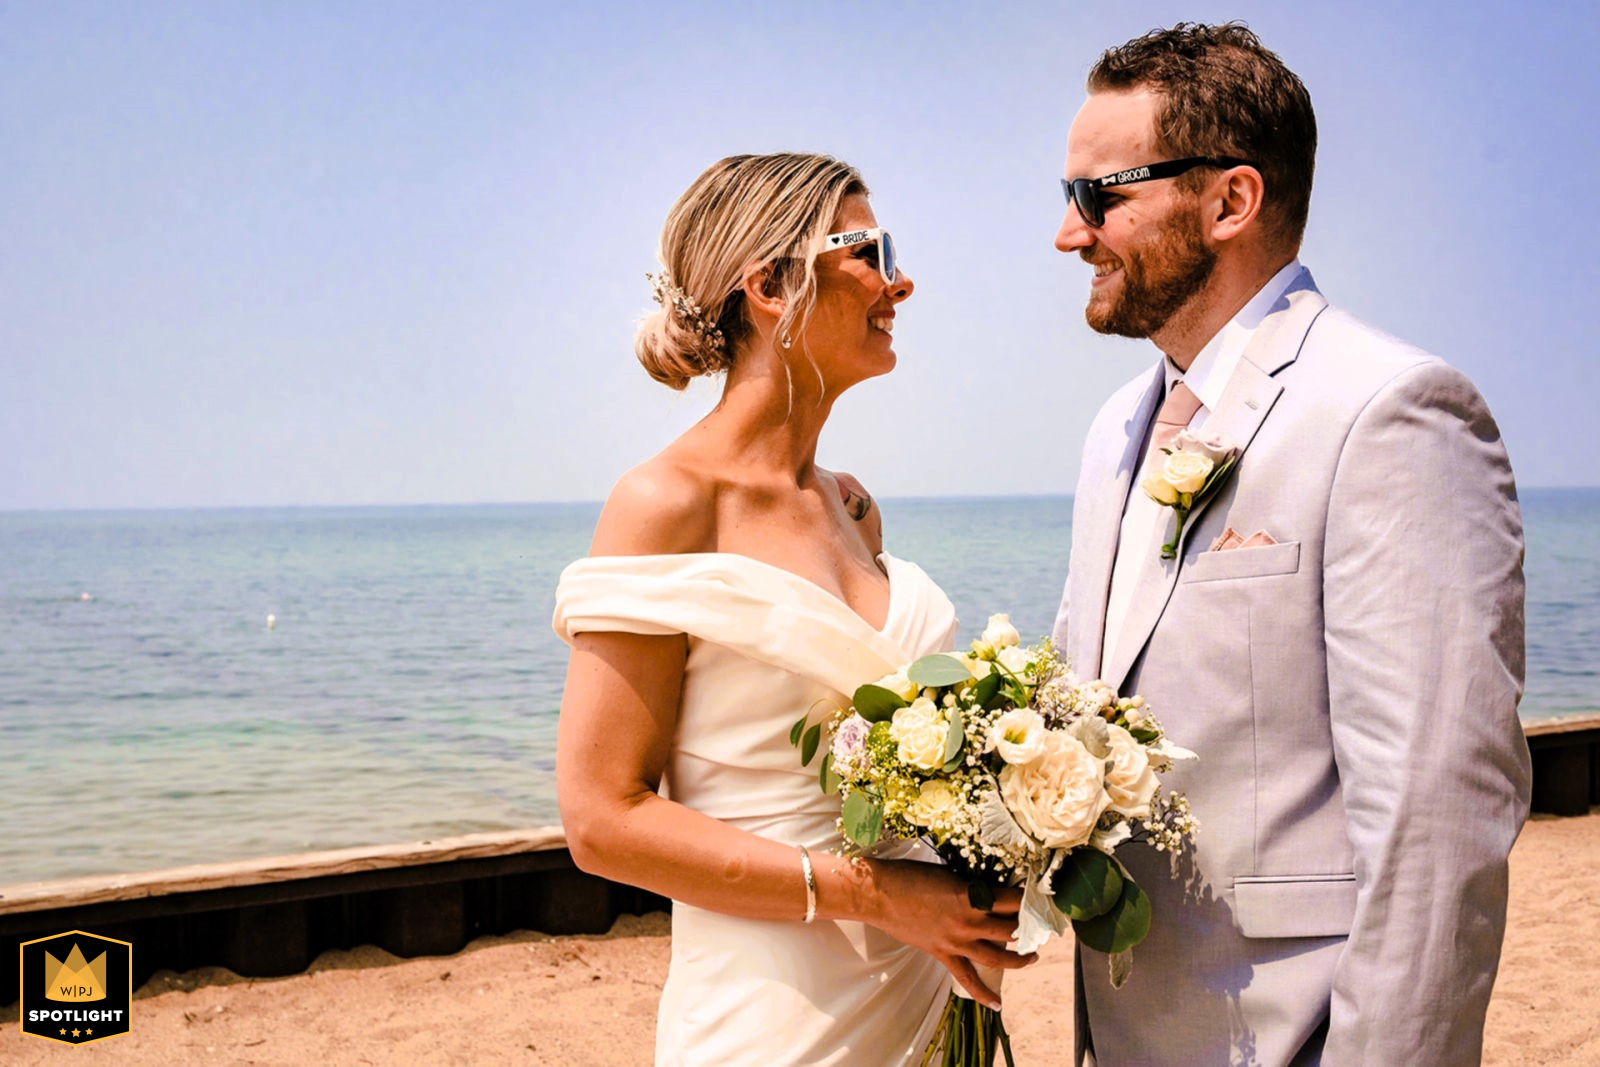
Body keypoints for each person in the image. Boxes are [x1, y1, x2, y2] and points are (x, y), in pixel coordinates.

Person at [1050, 23, 1530, 1066]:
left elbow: (1435, 813)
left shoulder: (1390, 410)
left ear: (1230, 201)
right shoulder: (1111, 435)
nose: (1067, 233)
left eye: (1100, 196)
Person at [552, 153, 1033, 1066]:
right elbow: (601, 818)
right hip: (773, 1022)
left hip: (927, 999)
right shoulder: (665, 504)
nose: (902, 279)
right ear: (771, 284)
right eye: (870, 250)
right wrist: (878, 894)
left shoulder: (854, 507)